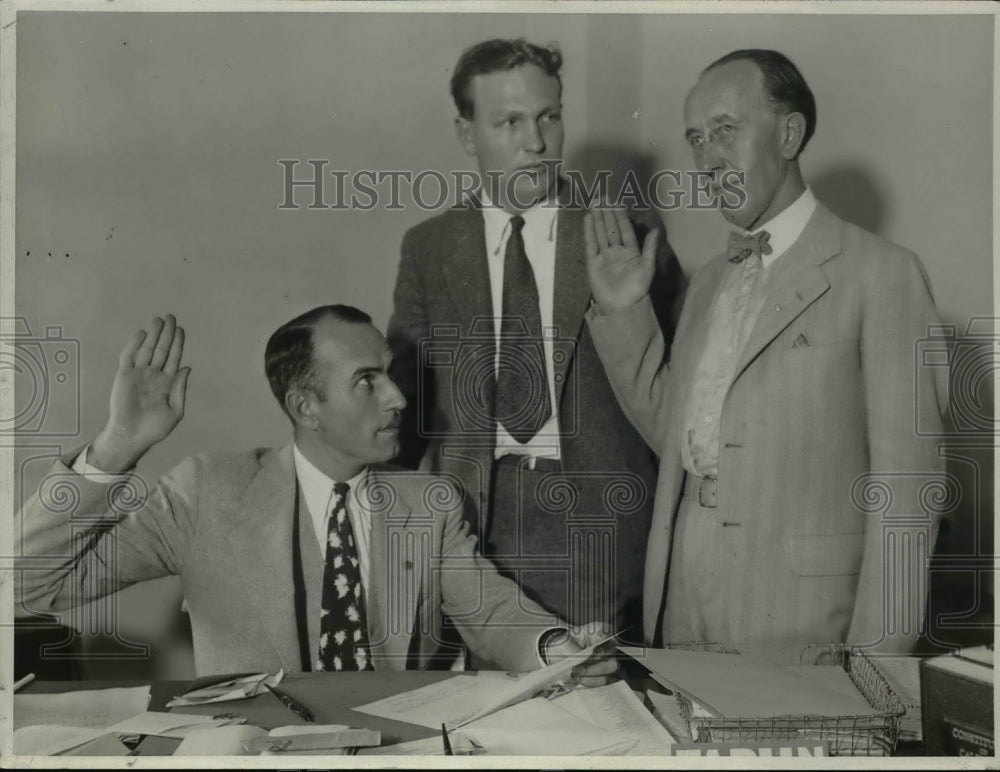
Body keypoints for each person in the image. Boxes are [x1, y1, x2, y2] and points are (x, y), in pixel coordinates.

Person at [15, 308, 617, 680]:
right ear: (306, 406)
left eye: (390, 374)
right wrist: (118, 446)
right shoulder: (206, 492)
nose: (397, 399)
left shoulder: (428, 504)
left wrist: (557, 650)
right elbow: (27, 583)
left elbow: (490, 612)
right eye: (367, 381)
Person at [584, 49, 947, 665]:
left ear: (788, 133)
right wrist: (624, 312)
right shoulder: (706, 284)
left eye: (726, 129)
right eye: (696, 138)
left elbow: (907, 497)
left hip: (805, 628)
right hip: (681, 602)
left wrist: (874, 670)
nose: (705, 158)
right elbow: (681, 439)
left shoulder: (883, 274)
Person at [387, 38, 684, 641]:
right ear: (467, 134)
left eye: (550, 116)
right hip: (472, 528)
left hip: (600, 531)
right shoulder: (429, 248)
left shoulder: (629, 236)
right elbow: (405, 412)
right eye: (510, 122)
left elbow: (675, 399)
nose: (537, 142)